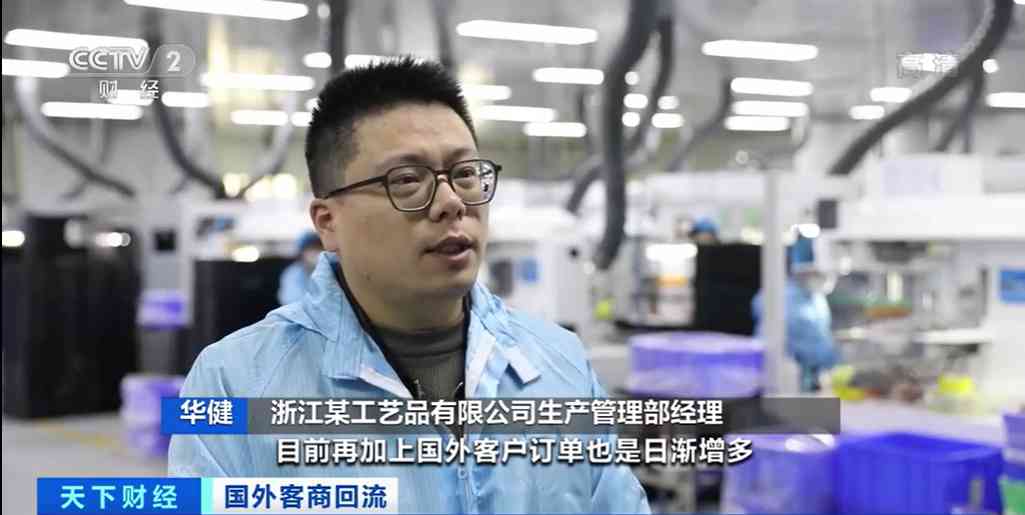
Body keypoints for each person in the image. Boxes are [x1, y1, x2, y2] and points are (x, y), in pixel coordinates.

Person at [169, 57, 650, 513]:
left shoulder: (560, 364)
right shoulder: (234, 385)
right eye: (406, 180)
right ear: (328, 222)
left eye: (465, 174)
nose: (451, 202)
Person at [751, 234, 839, 392]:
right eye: (817, 274)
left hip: (809, 380)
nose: (824, 279)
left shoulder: (815, 297)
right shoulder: (780, 297)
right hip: (781, 377)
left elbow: (822, 339)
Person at [276, 230, 323, 305]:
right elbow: (291, 300)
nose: (315, 252)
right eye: (311, 248)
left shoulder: (330, 269)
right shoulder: (292, 274)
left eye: (318, 247)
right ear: (302, 253)